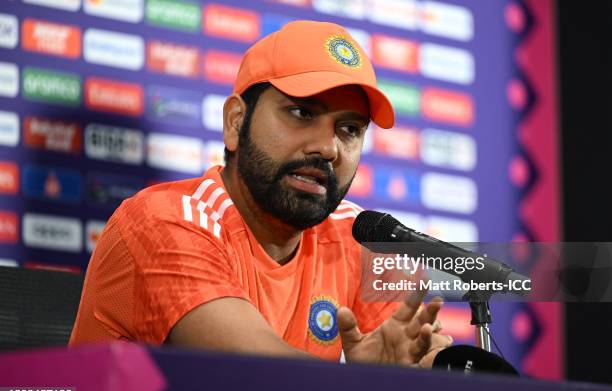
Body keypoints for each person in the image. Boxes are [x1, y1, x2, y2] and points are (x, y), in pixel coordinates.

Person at [70, 20, 452, 367]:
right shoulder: (164, 221)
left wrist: (422, 378)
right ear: (236, 122)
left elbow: (424, 365)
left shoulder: (355, 238)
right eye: (302, 113)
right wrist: (369, 389)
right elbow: (262, 378)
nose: (328, 148)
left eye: (350, 128)